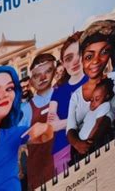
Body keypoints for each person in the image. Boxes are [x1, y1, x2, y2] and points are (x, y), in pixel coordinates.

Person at [66, 21, 115, 160]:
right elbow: (70, 127)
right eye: (89, 57)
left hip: (104, 143)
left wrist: (90, 142)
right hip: (79, 152)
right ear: (82, 61)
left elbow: (110, 113)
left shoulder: (113, 78)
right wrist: (79, 145)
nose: (96, 61)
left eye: (104, 52)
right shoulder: (76, 96)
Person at [47, 32, 88, 175]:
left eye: (79, 54)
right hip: (61, 150)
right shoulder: (58, 90)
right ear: (64, 63)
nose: (75, 61)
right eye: (68, 58)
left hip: (88, 143)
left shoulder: (93, 81)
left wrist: (63, 123)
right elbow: (51, 125)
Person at [19, 53, 56, 190]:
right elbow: (20, 142)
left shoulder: (65, 95)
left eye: (47, 71)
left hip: (66, 162)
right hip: (40, 172)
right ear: (32, 81)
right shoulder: (26, 110)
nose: (42, 78)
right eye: (36, 76)